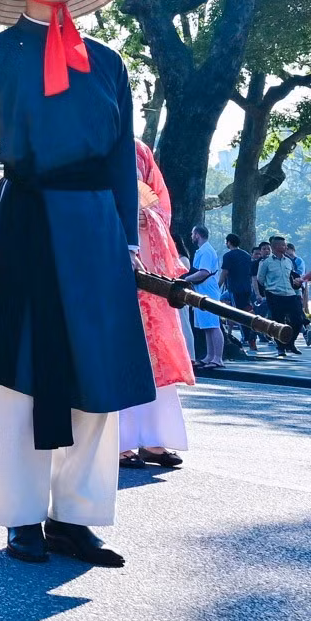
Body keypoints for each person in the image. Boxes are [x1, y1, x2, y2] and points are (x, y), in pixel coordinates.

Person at [0, 0, 154, 568]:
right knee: (25, 372)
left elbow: (122, 158)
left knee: (95, 370)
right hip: (27, 222)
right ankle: (21, 517)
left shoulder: (107, 62)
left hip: (97, 227)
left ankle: (76, 516)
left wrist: (127, 237)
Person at [118, 141, 195, 469]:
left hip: (148, 259)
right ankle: (118, 440)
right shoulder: (85, 139)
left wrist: (147, 216)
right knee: (117, 351)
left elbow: (160, 199)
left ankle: (154, 439)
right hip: (107, 254)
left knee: (156, 352)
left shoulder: (138, 149)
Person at [257, 232, 305, 353]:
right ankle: (281, 347)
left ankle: (291, 343)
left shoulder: (288, 261)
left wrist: (296, 284)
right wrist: (269, 288)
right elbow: (260, 279)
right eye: (283, 245)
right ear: (275, 247)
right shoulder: (266, 262)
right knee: (278, 321)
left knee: (298, 320)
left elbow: (291, 277)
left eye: (285, 245)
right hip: (274, 294)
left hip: (289, 293)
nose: (285, 247)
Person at [185, 226, 224, 369]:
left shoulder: (207, 251)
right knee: (206, 326)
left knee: (213, 324)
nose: (191, 236)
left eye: (192, 233)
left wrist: (186, 279)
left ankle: (218, 358)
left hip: (208, 290)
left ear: (198, 234)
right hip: (202, 290)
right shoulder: (202, 250)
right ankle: (209, 356)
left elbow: (204, 272)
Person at [218, 233, 256, 354]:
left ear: (229, 242)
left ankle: (249, 339)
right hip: (247, 288)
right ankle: (252, 337)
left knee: (239, 315)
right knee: (247, 312)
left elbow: (224, 272)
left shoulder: (228, 256)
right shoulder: (246, 255)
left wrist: (217, 286)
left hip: (235, 288)